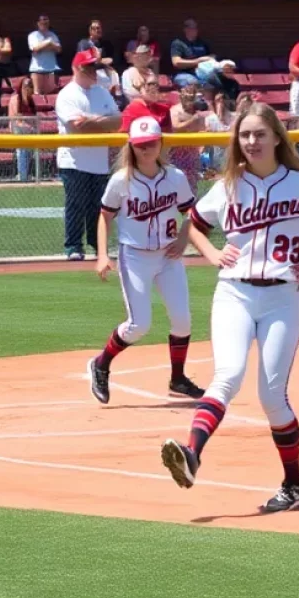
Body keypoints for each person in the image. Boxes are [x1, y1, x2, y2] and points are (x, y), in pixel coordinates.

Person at [161, 103, 299, 510]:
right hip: (234, 292)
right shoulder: (229, 185)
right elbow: (196, 224)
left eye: (259, 134)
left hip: (282, 297)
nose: (251, 141)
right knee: (227, 377)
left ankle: (294, 483)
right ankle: (193, 453)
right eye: (245, 135)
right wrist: (212, 254)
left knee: (272, 397)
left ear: (275, 138)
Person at [87, 116, 203, 405]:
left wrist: (183, 238)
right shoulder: (121, 180)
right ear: (131, 146)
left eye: (151, 143)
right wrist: (103, 255)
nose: (146, 148)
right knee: (139, 325)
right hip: (135, 256)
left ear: (160, 142)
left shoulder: (175, 176)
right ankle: (101, 364)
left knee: (182, 320)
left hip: (168, 256)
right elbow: (105, 217)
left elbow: (192, 212)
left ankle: (178, 378)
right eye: (140, 145)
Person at [55, 49, 122, 260]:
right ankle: (73, 246)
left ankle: (97, 245)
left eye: (95, 67)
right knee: (76, 205)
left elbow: (118, 121)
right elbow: (77, 127)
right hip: (74, 161)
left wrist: (91, 120)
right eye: (88, 67)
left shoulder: (102, 92)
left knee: (98, 207)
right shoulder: (67, 94)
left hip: (99, 161)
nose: (93, 71)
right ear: (76, 68)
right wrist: (103, 121)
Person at [168, 81, 208, 192]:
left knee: (192, 180)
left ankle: (191, 203)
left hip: (193, 152)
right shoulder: (175, 110)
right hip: (177, 152)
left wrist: (201, 148)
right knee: (176, 179)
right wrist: (192, 120)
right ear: (181, 96)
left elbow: (202, 129)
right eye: (187, 97)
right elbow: (175, 126)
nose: (189, 101)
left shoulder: (198, 111)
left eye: (191, 97)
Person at [7, 77, 36, 182]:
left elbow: (34, 117)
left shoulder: (30, 100)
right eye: (26, 86)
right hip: (17, 127)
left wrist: (33, 127)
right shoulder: (16, 98)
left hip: (28, 129)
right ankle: (22, 176)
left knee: (28, 151)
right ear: (22, 87)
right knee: (22, 151)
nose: (28, 89)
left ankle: (26, 174)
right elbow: (17, 119)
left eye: (30, 86)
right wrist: (30, 127)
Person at [170, 19, 212, 87]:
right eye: (192, 27)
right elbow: (176, 63)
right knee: (193, 82)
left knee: (214, 82)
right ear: (185, 29)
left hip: (201, 73)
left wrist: (212, 58)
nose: (195, 30)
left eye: (196, 27)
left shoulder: (202, 43)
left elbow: (210, 56)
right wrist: (197, 61)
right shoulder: (178, 43)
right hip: (183, 74)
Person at [27, 13, 62, 96]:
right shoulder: (33, 35)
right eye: (42, 21)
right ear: (38, 23)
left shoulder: (53, 35)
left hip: (51, 69)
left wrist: (43, 46)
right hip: (37, 69)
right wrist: (49, 43)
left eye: (47, 21)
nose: (45, 23)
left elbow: (59, 49)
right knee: (37, 95)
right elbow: (35, 49)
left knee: (51, 95)